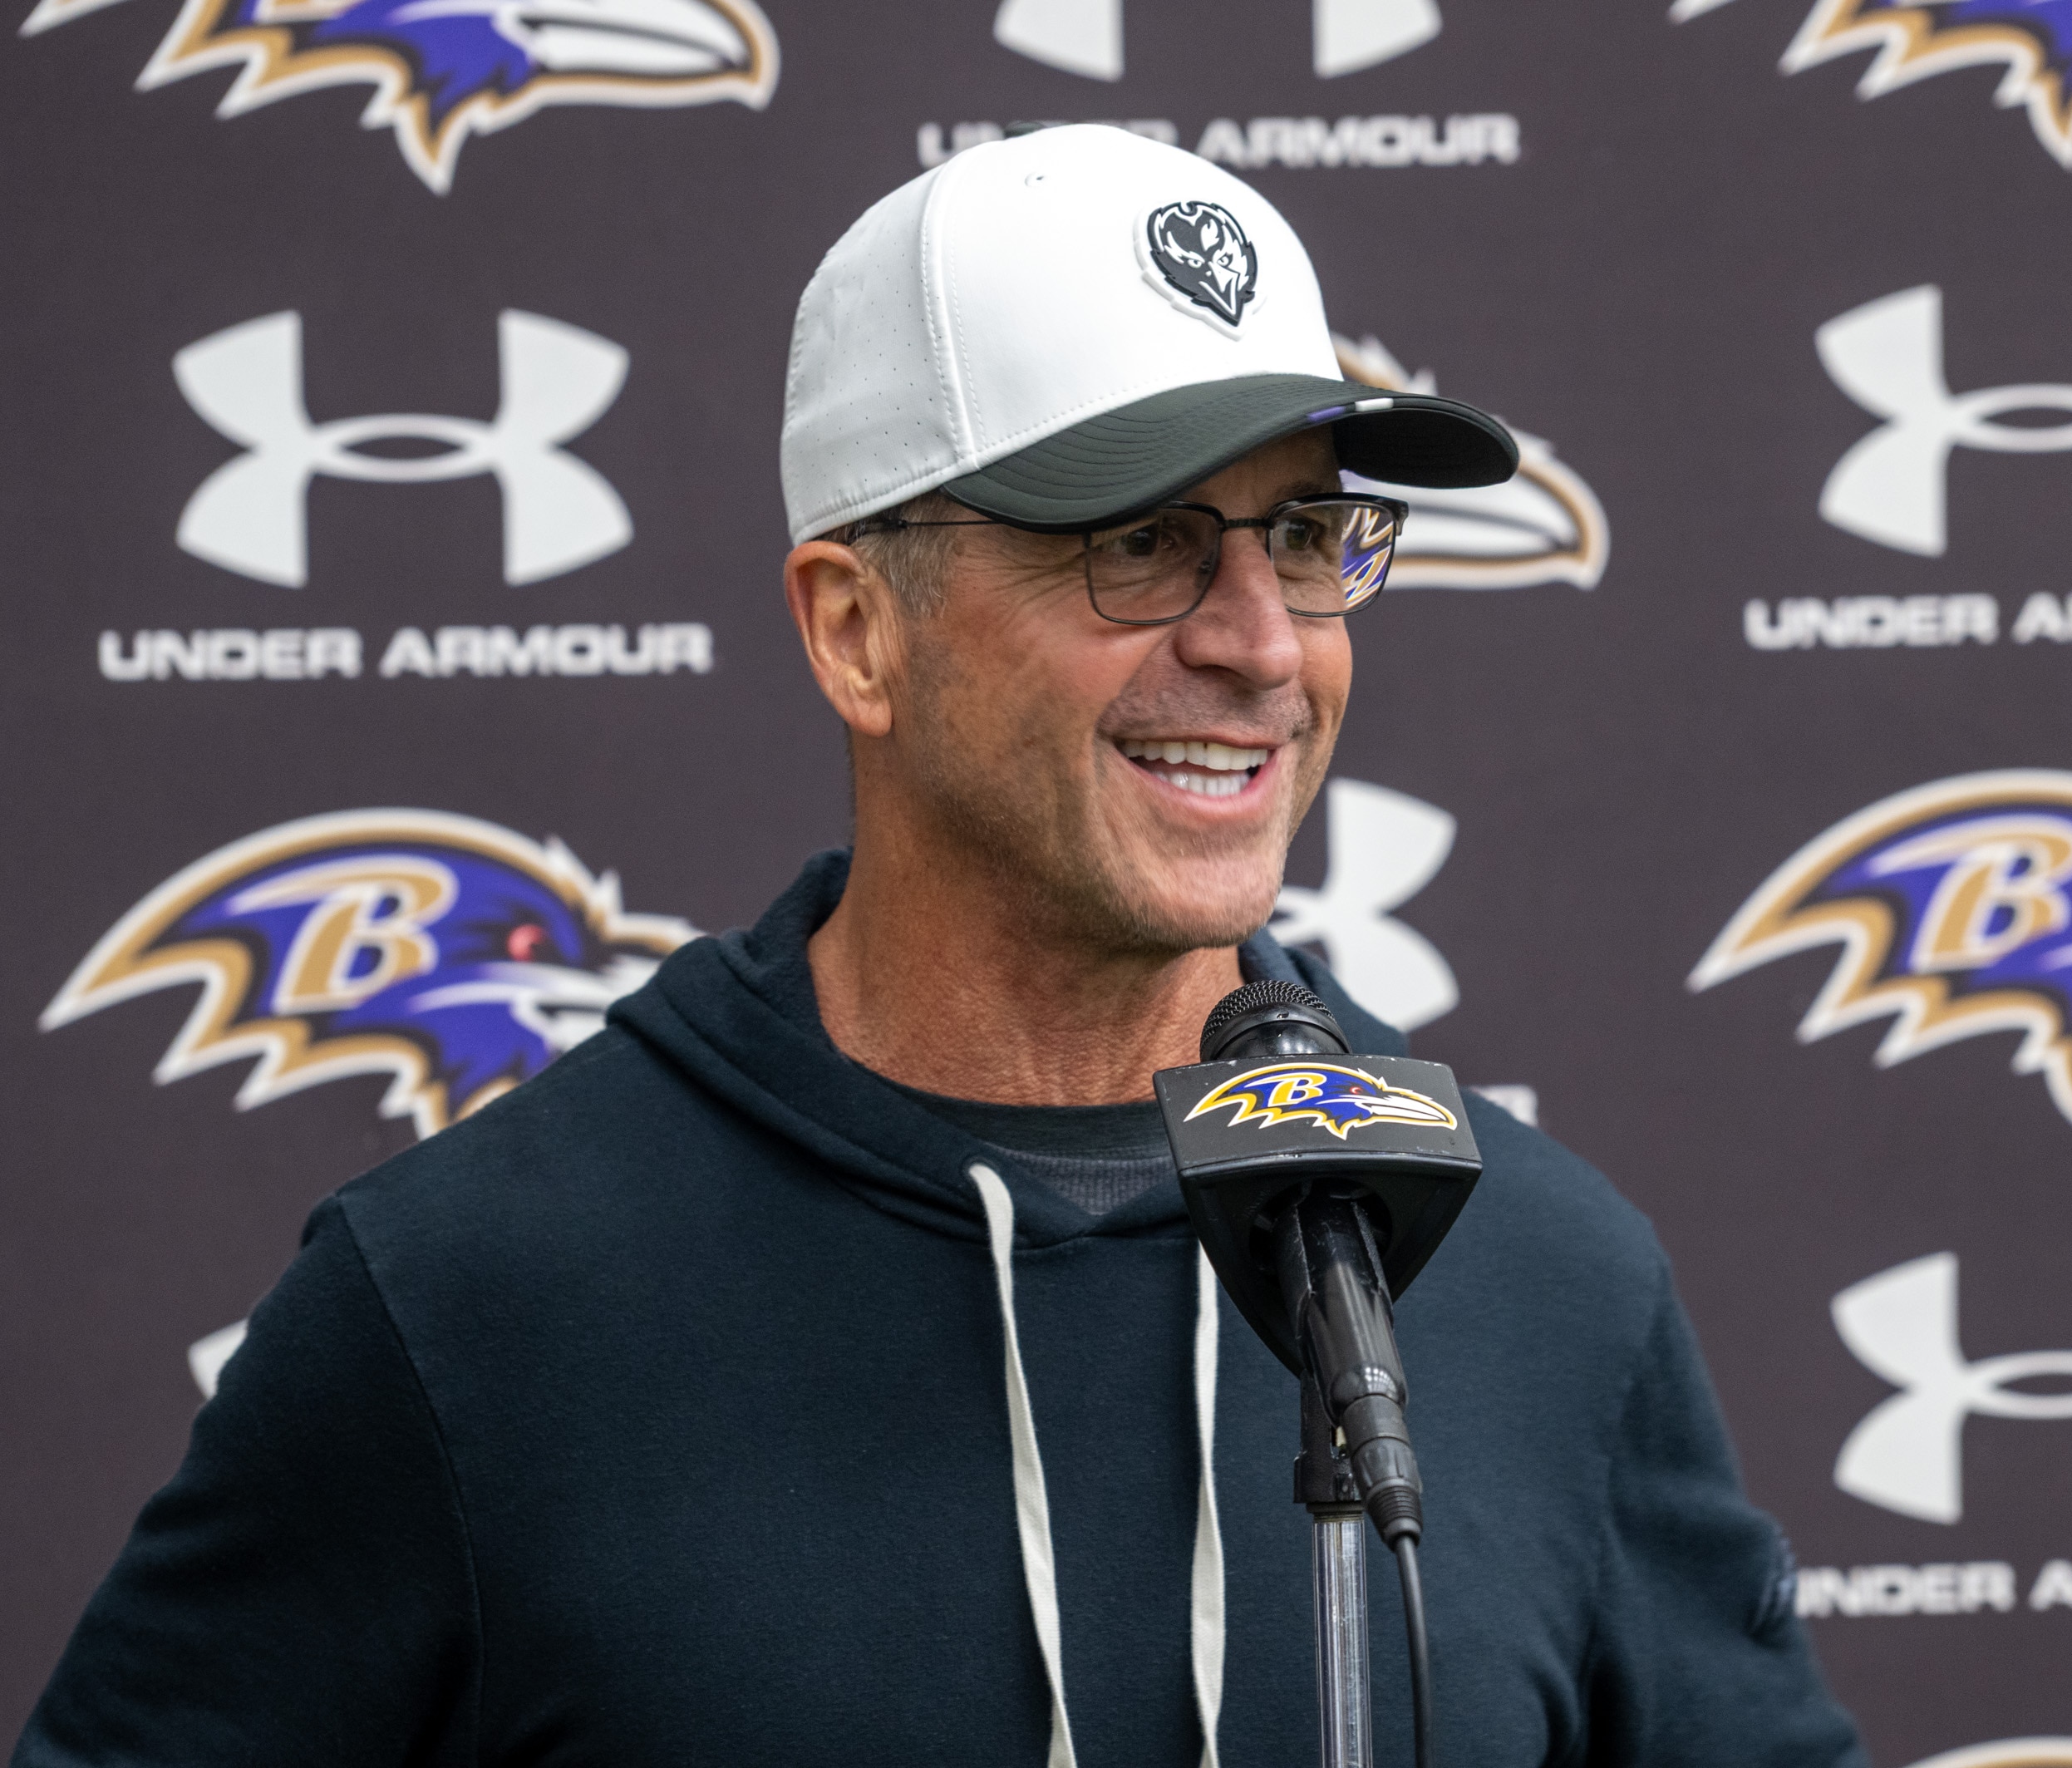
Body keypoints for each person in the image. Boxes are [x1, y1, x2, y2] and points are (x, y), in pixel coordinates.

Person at [14, 126, 1863, 1768]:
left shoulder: (1536, 1271)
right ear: (856, 631)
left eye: (1305, 535)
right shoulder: (471, 1303)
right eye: (1142, 540)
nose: (1264, 643)